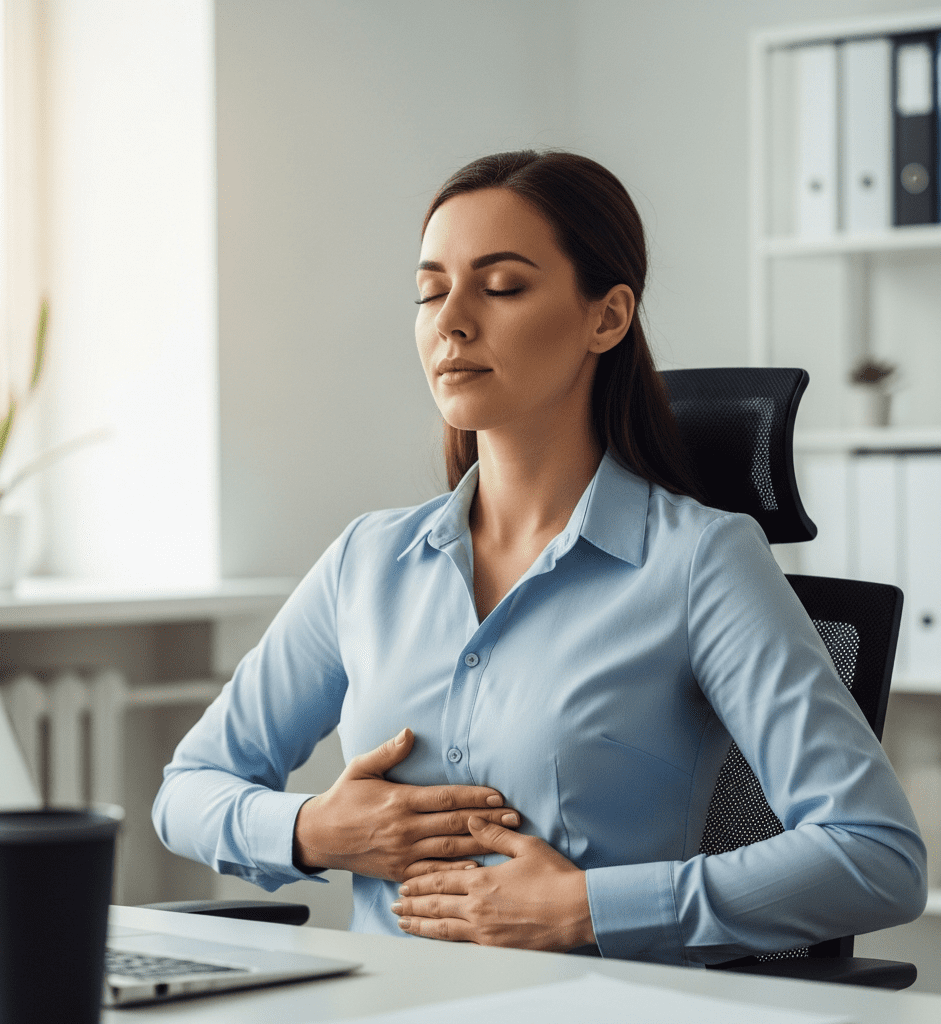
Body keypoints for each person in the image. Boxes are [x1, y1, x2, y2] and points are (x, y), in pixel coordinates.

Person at [153, 150, 926, 965]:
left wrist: (587, 909)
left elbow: (875, 855)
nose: (450, 319)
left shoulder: (700, 562)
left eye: (501, 286)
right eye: (429, 290)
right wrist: (315, 830)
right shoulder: (368, 562)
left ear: (608, 316)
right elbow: (188, 791)